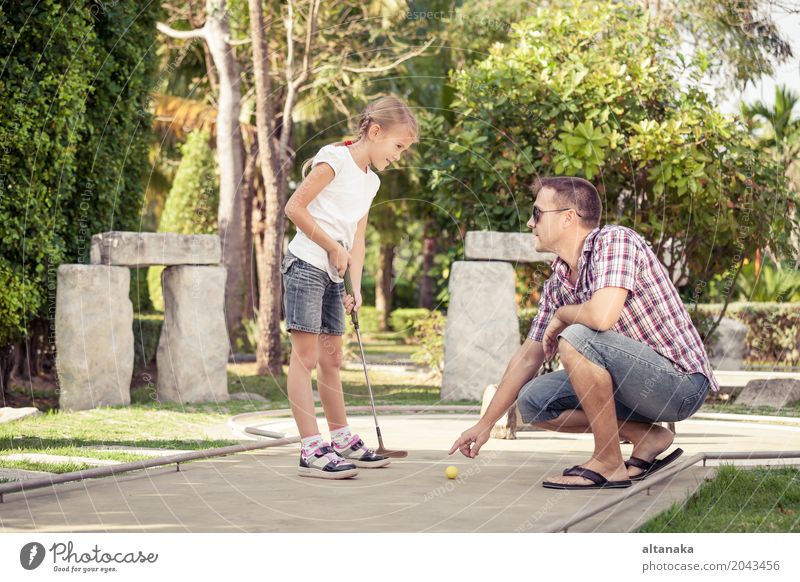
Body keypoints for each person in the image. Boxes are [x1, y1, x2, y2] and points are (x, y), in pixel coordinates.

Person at [448, 176, 718, 490]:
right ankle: (646, 436)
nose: (529, 222)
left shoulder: (616, 241)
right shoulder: (557, 283)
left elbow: (601, 316)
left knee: (577, 336)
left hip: (678, 384)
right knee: (534, 400)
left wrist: (563, 315)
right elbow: (527, 358)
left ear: (568, 217)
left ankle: (607, 461)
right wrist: (485, 424)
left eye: (537, 213)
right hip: (631, 386)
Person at [282, 96, 418, 479]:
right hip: (307, 264)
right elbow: (294, 207)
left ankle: (340, 438)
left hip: (333, 274)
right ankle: (311, 448)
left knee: (332, 360)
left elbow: (357, 240)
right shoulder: (334, 159)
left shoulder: (370, 182)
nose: (399, 156)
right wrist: (330, 247)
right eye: (397, 146)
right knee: (305, 358)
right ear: (375, 133)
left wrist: (355, 288)